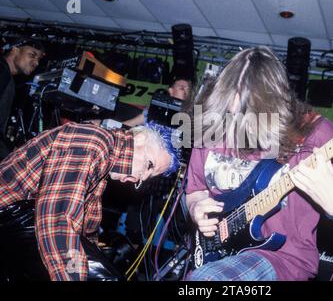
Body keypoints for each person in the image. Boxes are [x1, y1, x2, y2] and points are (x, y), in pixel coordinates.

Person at [185, 46, 333, 280]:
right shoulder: (213, 125)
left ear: (275, 106)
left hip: (281, 260)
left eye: (248, 116)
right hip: (214, 257)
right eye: (229, 114)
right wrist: (196, 208)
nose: (235, 124)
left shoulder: (316, 136)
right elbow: (195, 191)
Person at [0, 121, 180, 281]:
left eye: (148, 177)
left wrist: (93, 249)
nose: (139, 181)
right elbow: (57, 220)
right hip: (8, 214)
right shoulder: (93, 142)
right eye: (149, 165)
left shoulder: (103, 156)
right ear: (139, 138)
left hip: (16, 218)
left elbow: (86, 223)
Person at [0, 39, 45, 160]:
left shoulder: (8, 77)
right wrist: (10, 152)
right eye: (32, 55)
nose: (36, 63)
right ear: (15, 50)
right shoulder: (2, 70)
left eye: (39, 60)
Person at [121, 77, 192, 127]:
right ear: (171, 91)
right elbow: (132, 123)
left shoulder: (192, 112)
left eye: (188, 89)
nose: (186, 91)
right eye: (182, 88)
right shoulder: (157, 108)